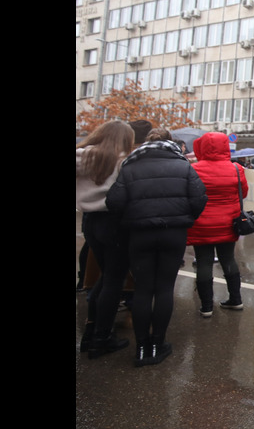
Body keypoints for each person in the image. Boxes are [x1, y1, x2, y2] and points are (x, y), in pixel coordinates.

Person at [106, 128, 206, 366]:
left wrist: (131, 219)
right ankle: (158, 343)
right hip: (173, 233)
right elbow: (199, 198)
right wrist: (184, 217)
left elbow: (114, 201)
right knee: (163, 289)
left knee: (143, 289)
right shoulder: (183, 166)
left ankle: (141, 348)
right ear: (170, 143)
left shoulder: (130, 166)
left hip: (140, 235)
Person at [76, 120, 135, 358]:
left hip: (89, 222)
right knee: (113, 280)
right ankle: (102, 337)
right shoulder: (124, 161)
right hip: (115, 223)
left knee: (104, 277)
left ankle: (91, 333)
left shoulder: (81, 157)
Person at [187, 132, 247, 316]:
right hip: (229, 222)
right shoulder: (236, 168)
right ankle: (235, 299)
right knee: (228, 258)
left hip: (201, 223)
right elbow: (243, 193)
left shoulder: (194, 169)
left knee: (204, 262)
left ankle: (206, 307)